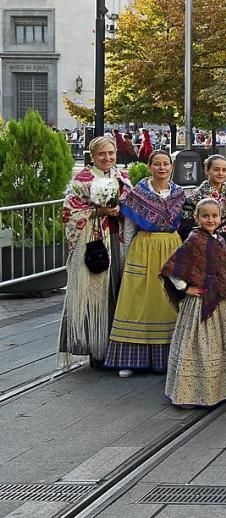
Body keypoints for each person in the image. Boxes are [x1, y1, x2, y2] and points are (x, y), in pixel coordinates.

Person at [161, 199, 226, 407]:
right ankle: (192, 393)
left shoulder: (219, 239)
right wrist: (185, 288)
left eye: (214, 216)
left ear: (220, 218)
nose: (210, 220)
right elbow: (172, 268)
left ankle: (225, 389)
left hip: (222, 297)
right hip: (201, 302)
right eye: (206, 216)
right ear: (197, 218)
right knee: (200, 344)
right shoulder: (194, 239)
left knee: (224, 342)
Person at [106, 151, 185, 376]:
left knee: (168, 300)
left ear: (171, 167)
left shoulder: (178, 193)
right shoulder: (138, 193)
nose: (162, 168)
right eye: (157, 164)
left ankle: (170, 356)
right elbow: (129, 227)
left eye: (166, 164)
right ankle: (130, 359)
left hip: (171, 246)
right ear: (149, 166)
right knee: (136, 300)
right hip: (144, 247)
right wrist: (126, 254)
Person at [59, 136, 130, 366]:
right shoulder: (82, 180)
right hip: (94, 242)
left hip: (117, 241)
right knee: (94, 293)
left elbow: (132, 205)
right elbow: (69, 213)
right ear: (92, 156)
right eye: (102, 154)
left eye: (111, 153)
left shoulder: (122, 177)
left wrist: (121, 210)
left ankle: (117, 347)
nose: (107, 158)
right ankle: (95, 348)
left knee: (118, 290)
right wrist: (98, 213)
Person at [179, 155, 226, 242]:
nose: (220, 173)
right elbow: (186, 223)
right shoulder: (196, 195)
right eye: (216, 170)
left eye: (224, 170)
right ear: (207, 170)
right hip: (202, 240)